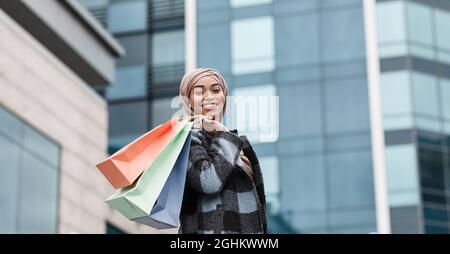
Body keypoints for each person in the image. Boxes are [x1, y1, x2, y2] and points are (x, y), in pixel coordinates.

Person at [178, 68, 267, 234]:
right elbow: (208, 182)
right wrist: (223, 135)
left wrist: (222, 134)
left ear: (224, 97)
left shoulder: (231, 140)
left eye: (216, 90)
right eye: (199, 91)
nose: (209, 96)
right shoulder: (188, 138)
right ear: (187, 100)